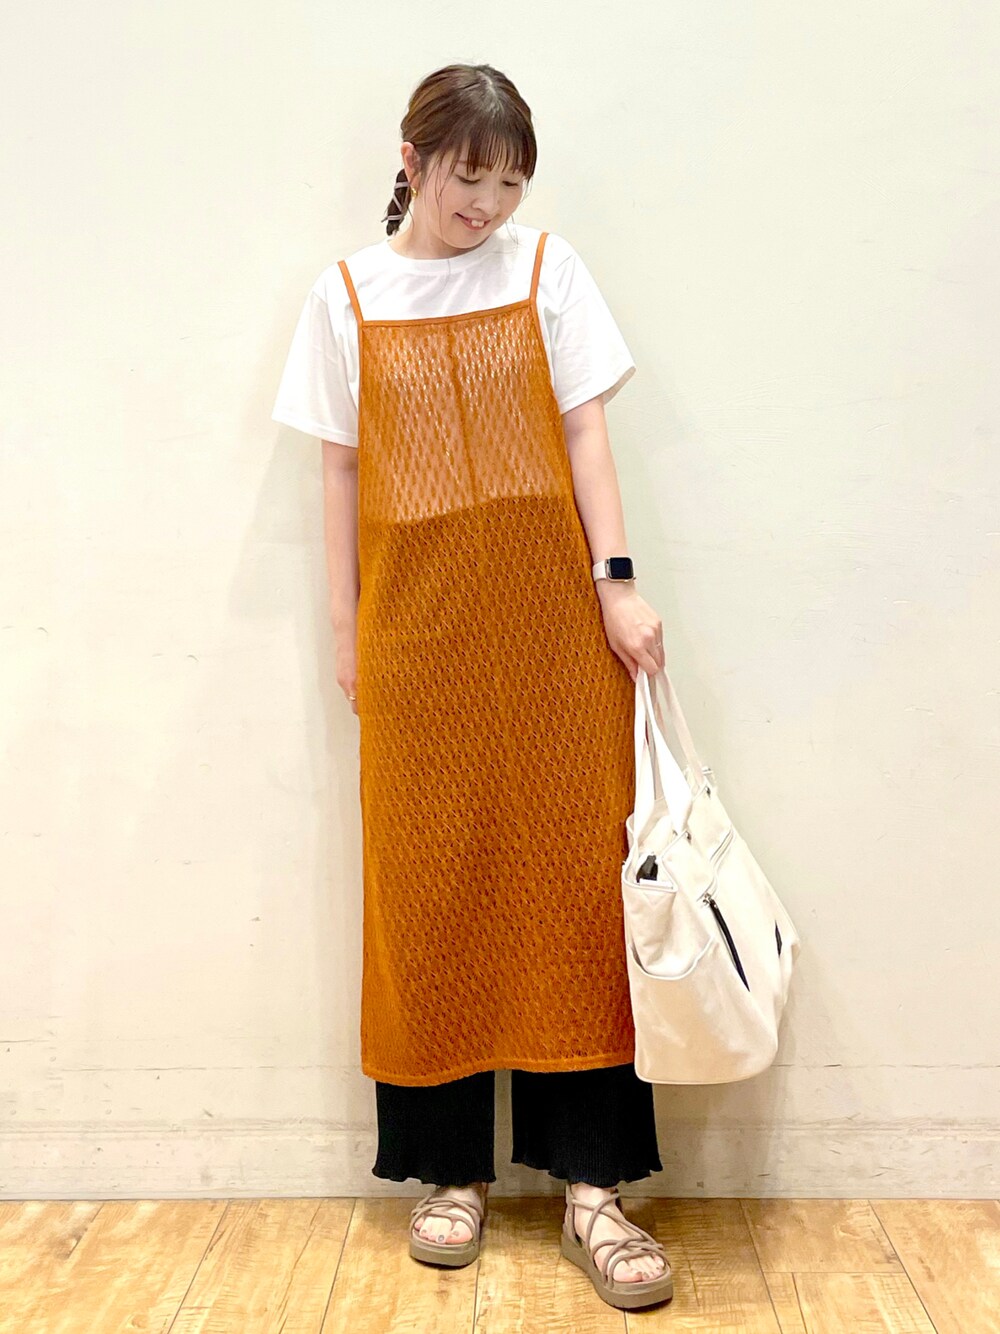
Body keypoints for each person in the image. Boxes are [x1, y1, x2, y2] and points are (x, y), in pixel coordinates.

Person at [271, 62, 674, 1311]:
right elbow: (339, 475)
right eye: (466, 177)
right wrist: (348, 633)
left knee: (573, 884)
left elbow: (586, 433)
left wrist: (617, 583)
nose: (486, 205)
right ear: (413, 158)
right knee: (430, 884)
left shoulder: (548, 270)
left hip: (555, 628)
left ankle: (594, 1185)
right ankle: (449, 1172)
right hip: (419, 636)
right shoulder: (346, 294)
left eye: (507, 182)